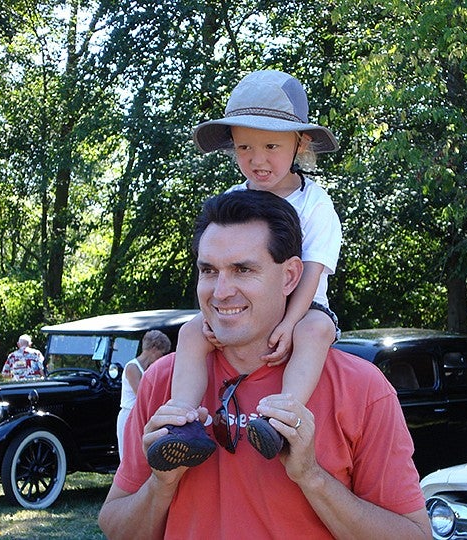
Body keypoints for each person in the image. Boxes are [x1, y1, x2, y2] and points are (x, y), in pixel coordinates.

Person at [98, 189, 431, 539]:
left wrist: (312, 477)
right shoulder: (163, 380)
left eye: (243, 270)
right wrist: (161, 483)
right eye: (208, 270)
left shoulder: (361, 387)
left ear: (290, 276)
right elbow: (116, 529)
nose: (221, 290)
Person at [147, 69, 343, 470]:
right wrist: (211, 316)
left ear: (300, 143)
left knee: (316, 332)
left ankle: (280, 416)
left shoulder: (316, 204)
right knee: (189, 333)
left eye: (271, 145)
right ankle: (182, 419)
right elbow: (215, 267)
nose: (257, 159)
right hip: (241, 311)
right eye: (244, 148)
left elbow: (312, 271)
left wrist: (288, 323)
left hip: (303, 307)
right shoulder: (232, 199)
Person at [116, 329, 171, 460]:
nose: (161, 358)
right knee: (128, 456)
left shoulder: (149, 369)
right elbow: (143, 395)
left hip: (142, 415)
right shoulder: (132, 367)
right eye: (161, 354)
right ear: (153, 348)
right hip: (129, 415)